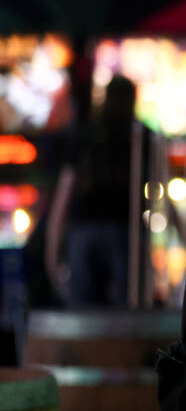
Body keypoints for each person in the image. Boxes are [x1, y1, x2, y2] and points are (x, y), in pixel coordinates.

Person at [44, 73, 136, 307]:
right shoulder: (136, 138)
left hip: (84, 231)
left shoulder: (85, 134)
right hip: (122, 232)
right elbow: (160, 189)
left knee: (81, 315)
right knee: (125, 315)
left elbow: (63, 197)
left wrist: (52, 255)